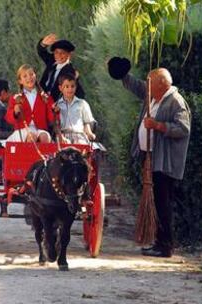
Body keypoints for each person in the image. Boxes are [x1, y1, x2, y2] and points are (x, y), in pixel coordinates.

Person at [108, 57, 191, 258]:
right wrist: (121, 73)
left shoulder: (175, 101)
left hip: (165, 161)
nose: (147, 88)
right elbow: (136, 86)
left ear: (161, 85)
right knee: (156, 201)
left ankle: (165, 245)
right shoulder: (153, 95)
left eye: (150, 84)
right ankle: (157, 241)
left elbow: (183, 128)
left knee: (163, 202)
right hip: (150, 158)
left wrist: (159, 126)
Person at [5, 64, 55, 143]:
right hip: (23, 130)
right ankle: (29, 155)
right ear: (20, 81)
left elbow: (52, 118)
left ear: (35, 76)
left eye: (31, 74)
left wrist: (55, 111)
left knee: (44, 137)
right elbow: (9, 118)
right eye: (25, 76)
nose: (29, 77)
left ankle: (44, 155)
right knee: (32, 137)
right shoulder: (15, 98)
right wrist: (14, 112)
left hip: (40, 129)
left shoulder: (45, 97)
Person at [37, 33, 85, 101]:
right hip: (40, 99)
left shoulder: (70, 72)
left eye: (62, 53)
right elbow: (41, 51)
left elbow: (81, 95)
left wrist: (75, 80)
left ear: (69, 54)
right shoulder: (52, 61)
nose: (58, 56)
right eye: (56, 52)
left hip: (54, 105)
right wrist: (43, 44)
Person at [55, 73, 96, 144]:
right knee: (64, 147)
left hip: (79, 134)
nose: (70, 89)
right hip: (63, 135)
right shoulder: (57, 105)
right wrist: (60, 136)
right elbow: (55, 124)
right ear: (60, 88)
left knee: (80, 144)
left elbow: (86, 122)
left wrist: (89, 133)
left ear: (76, 87)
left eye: (72, 86)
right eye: (66, 86)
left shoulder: (82, 103)